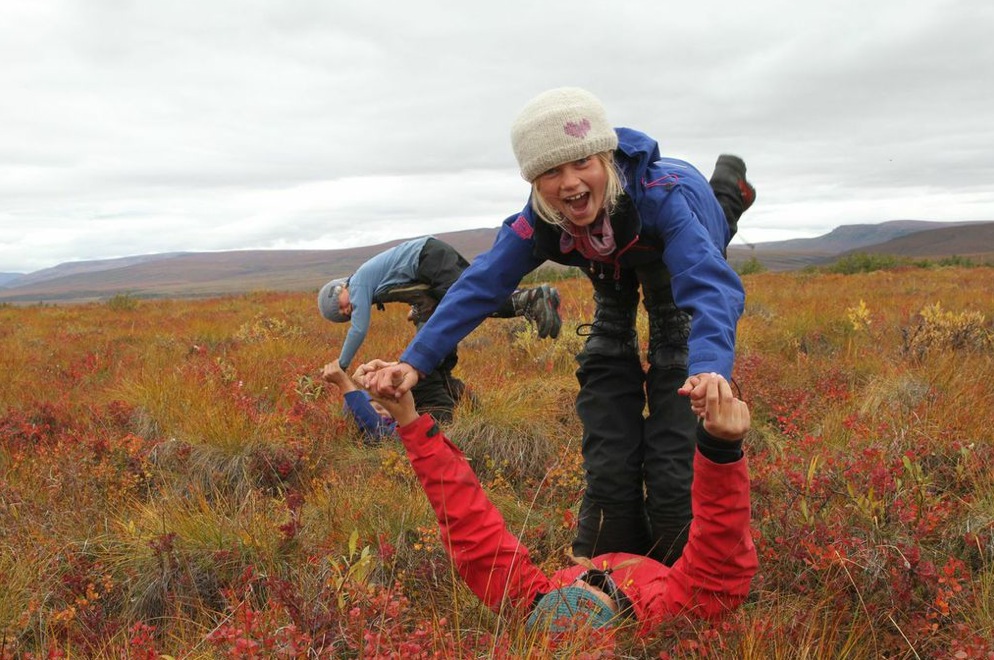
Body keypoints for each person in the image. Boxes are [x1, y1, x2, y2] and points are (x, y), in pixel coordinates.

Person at [365, 88, 754, 565]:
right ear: (533, 181)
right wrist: (416, 362)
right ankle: (617, 535)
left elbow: (711, 286)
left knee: (676, 321)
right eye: (551, 171)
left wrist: (710, 367)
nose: (569, 183)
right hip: (608, 250)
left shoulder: (663, 197)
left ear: (606, 158)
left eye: (581, 163)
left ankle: (730, 192)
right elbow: (480, 284)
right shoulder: (543, 218)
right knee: (612, 321)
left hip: (673, 229)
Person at [355, 359, 757, 633]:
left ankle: (611, 331)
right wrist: (721, 449)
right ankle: (673, 340)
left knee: (611, 469)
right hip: (669, 569)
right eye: (589, 602)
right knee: (673, 461)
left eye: (564, 601)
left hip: (600, 550)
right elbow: (721, 556)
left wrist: (408, 418)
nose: (577, 592)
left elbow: (468, 523)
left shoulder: (529, 602)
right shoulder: (670, 613)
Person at [318, 236, 562, 424]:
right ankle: (470, 413)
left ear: (339, 289)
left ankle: (530, 298)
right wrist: (418, 310)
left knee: (470, 301)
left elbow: (359, 329)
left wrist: (342, 365)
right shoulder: (374, 285)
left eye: (340, 308)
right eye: (343, 317)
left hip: (429, 258)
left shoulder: (359, 282)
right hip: (430, 257)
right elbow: (416, 288)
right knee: (442, 359)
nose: (348, 312)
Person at [321, 359, 397, 443]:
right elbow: (377, 430)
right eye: (377, 408)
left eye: (383, 407)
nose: (380, 412)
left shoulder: (400, 425)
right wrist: (345, 384)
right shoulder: (398, 429)